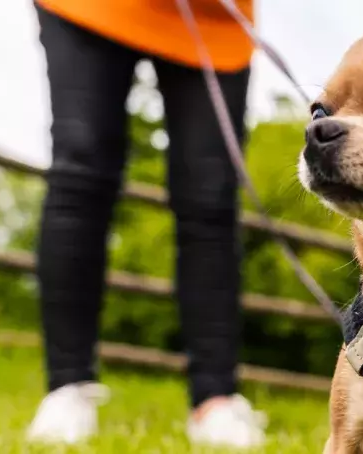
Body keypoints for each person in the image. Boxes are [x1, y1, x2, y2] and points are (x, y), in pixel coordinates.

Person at [26, 0, 265, 447]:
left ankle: (216, 398)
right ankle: (66, 386)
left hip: (212, 17)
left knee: (211, 196)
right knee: (81, 167)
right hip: (91, 9)